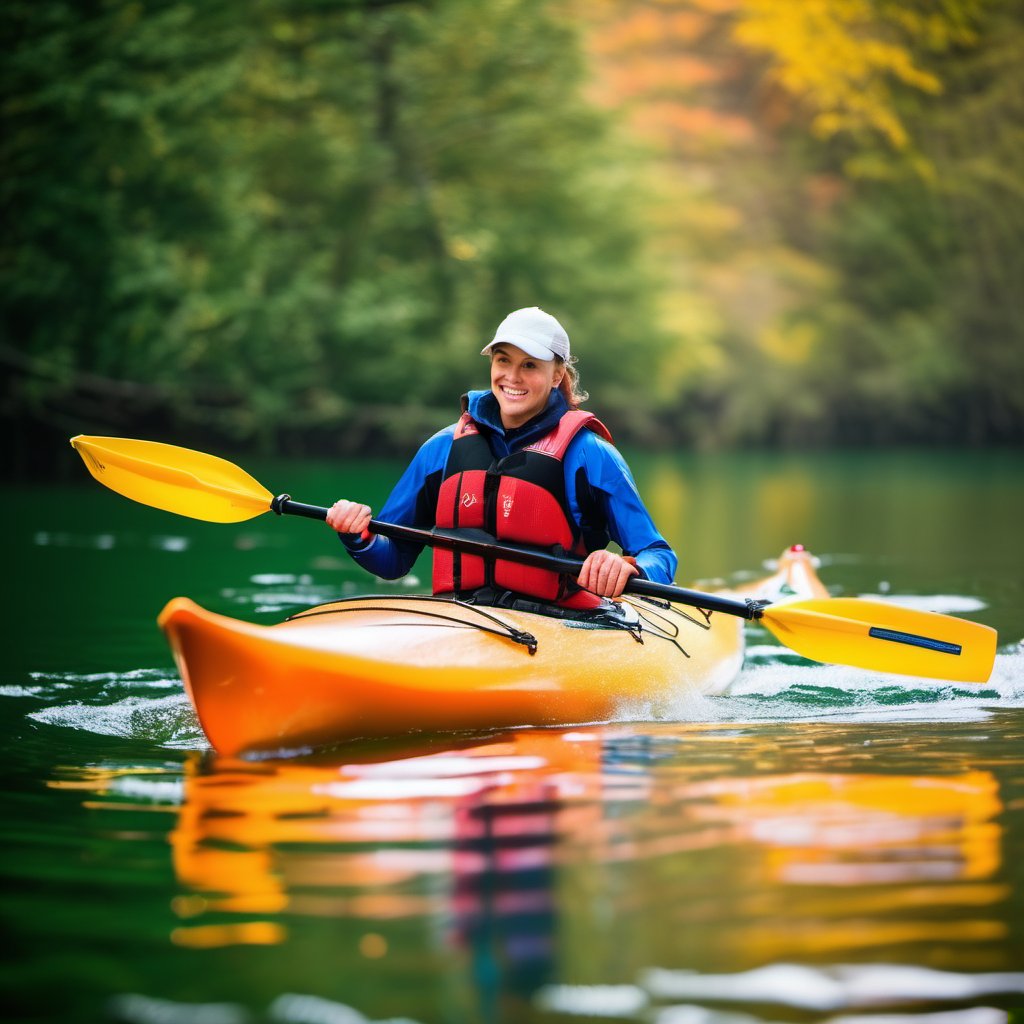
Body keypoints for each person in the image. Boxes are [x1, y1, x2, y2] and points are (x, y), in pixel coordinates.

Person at [326, 306, 676, 610]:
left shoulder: (590, 455)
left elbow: (658, 554)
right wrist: (358, 535)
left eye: (529, 365)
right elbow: (393, 559)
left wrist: (630, 568)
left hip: (564, 625)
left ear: (557, 375)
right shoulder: (442, 448)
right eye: (503, 360)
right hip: (460, 620)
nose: (512, 376)